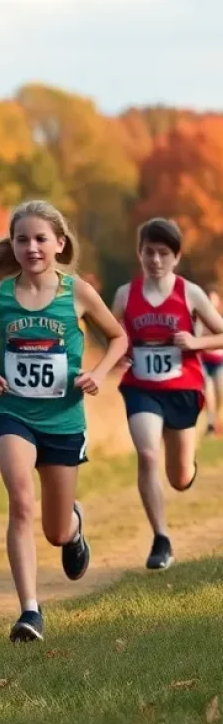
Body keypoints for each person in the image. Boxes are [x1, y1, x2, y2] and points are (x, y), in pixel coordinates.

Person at [0, 200, 127, 643]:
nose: (32, 247)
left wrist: (96, 372)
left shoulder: (76, 292)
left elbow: (117, 336)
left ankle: (73, 528)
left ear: (59, 243)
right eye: (22, 239)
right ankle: (30, 612)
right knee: (20, 502)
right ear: (12, 245)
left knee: (54, 531)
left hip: (63, 419)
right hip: (12, 413)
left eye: (40, 239)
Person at [111, 219, 223, 570]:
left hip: (182, 389)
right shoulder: (125, 294)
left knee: (179, 478)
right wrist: (122, 350)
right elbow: (109, 330)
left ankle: (187, 469)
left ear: (176, 257)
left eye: (163, 253)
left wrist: (196, 342)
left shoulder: (190, 293)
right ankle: (161, 538)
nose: (155, 260)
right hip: (141, 388)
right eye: (149, 252)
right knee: (147, 455)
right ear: (139, 253)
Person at [196, 284, 223, 435]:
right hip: (204, 362)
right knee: (209, 392)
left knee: (220, 392)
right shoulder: (200, 320)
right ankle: (211, 423)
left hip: (220, 362)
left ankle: (217, 419)